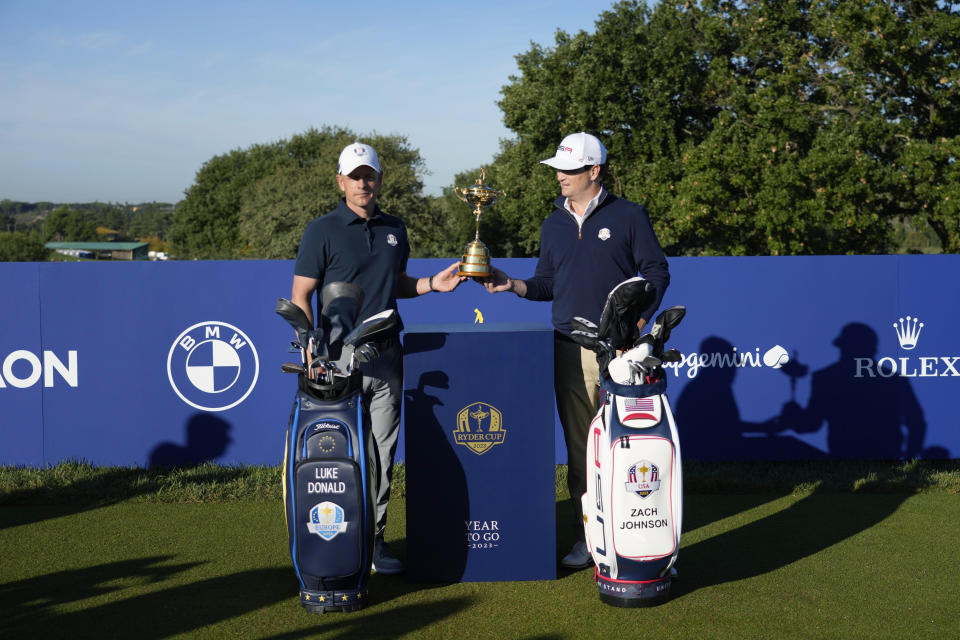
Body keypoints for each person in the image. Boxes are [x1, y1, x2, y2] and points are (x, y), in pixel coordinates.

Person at [483, 132, 670, 569]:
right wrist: (514, 285)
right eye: (558, 170)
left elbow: (656, 271)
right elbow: (548, 282)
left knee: (627, 447)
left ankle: (634, 532)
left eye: (568, 170)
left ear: (594, 171)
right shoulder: (553, 223)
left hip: (620, 351)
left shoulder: (628, 215)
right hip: (569, 346)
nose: (560, 177)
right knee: (582, 448)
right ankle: (589, 535)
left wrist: (638, 323)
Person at [291, 141, 465, 574]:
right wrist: (313, 351)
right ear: (341, 182)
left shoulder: (395, 228)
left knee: (382, 456)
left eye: (369, 175)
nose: (362, 183)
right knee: (342, 456)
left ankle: (374, 543)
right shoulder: (322, 229)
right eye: (354, 176)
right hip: (338, 364)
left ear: (380, 179)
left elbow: (396, 284)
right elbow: (302, 294)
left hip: (387, 356)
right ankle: (339, 539)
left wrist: (430, 285)